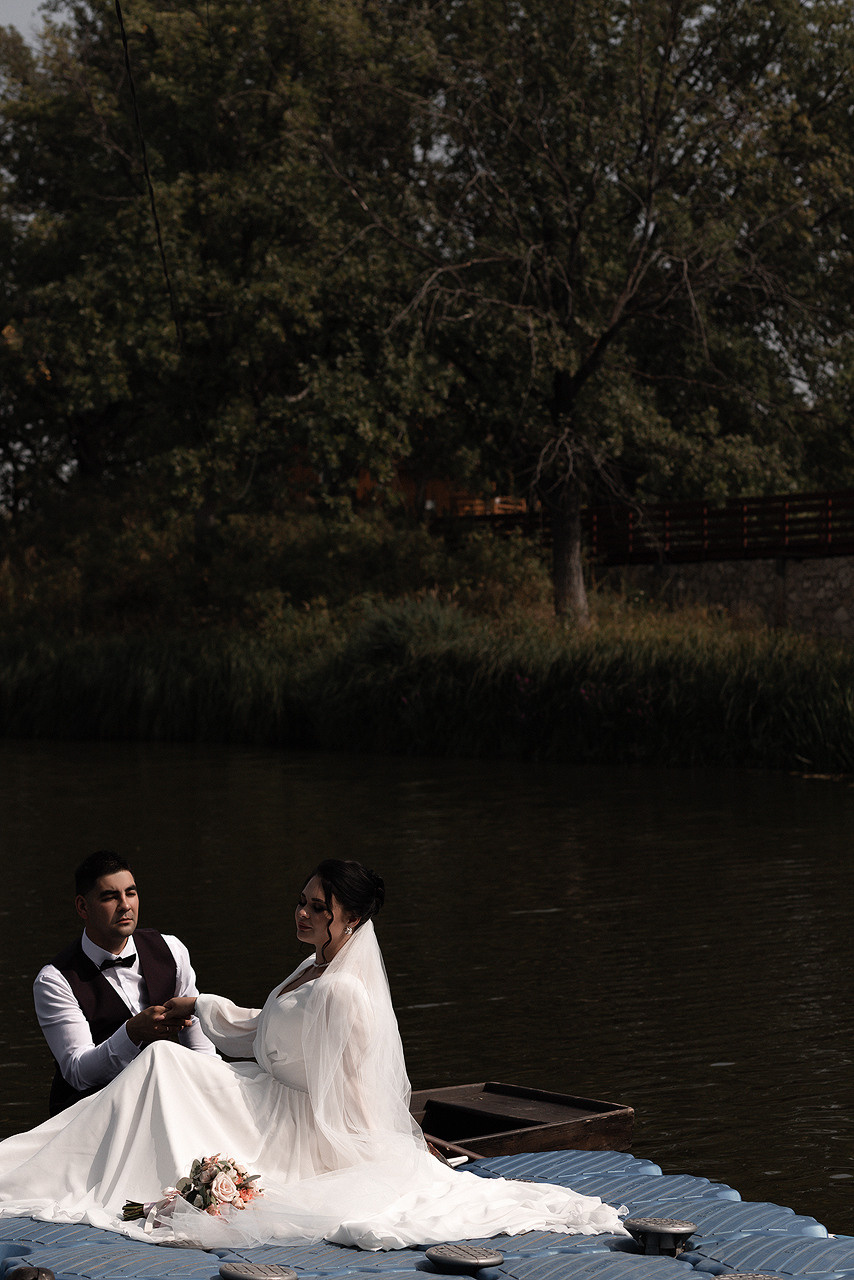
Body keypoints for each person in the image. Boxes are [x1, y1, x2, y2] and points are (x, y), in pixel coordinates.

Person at [0, 859, 626, 1251]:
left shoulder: (346, 991)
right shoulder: (310, 966)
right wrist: (199, 1009)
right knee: (166, 1065)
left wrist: (399, 1137)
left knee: (165, 1066)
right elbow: (259, 1030)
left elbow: (353, 1082)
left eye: (315, 907)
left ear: (348, 917)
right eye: (300, 901)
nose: (300, 912)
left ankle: (89, 1177)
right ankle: (60, 1166)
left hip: (293, 1118)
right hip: (258, 1086)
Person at [33, 851, 215, 1115]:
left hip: (165, 1098)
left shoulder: (171, 949)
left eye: (131, 893)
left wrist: (210, 1090)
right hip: (91, 1112)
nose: (125, 905)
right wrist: (131, 1033)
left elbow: (198, 1038)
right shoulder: (55, 980)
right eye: (110, 897)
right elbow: (77, 1072)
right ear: (83, 907)